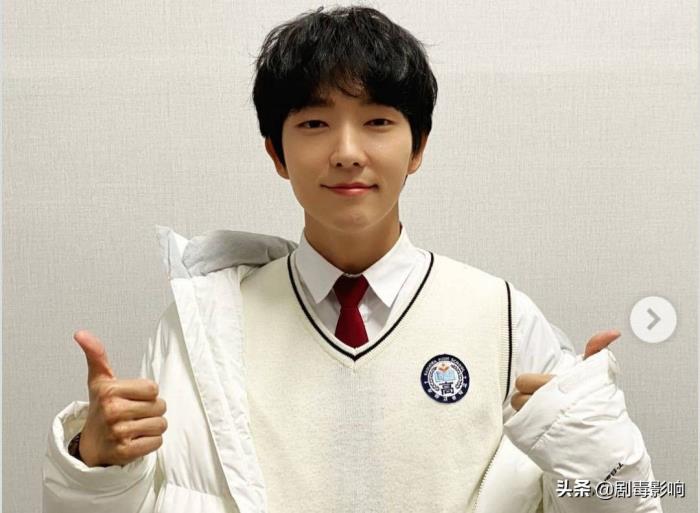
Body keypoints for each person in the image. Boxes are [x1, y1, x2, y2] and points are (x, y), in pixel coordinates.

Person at [43, 6, 661, 513]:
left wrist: (594, 448)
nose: (347, 152)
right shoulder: (202, 324)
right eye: (314, 123)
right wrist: (94, 466)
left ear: (417, 147)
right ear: (276, 153)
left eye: (377, 121)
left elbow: (632, 504)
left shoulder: (501, 315)